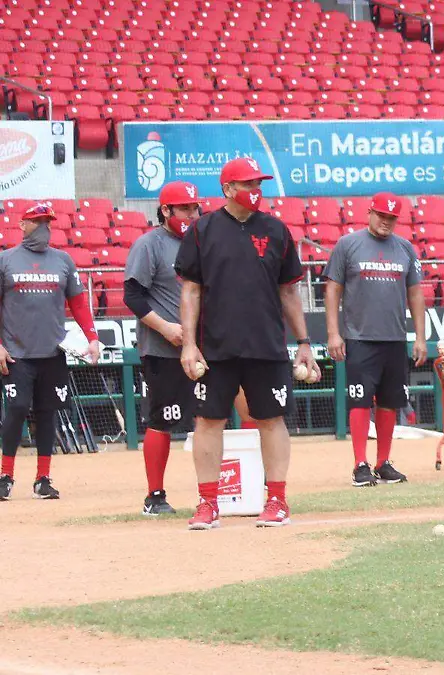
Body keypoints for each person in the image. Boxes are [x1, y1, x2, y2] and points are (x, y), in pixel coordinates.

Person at [175, 157, 319, 530]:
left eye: (260, 184)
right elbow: (191, 291)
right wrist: (189, 344)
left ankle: (277, 501)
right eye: (248, 184)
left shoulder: (276, 230)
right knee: (208, 421)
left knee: (271, 420)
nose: (256, 191)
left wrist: (304, 341)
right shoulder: (202, 230)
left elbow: (288, 292)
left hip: (266, 344)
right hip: (215, 347)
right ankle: (208, 503)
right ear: (227, 189)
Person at [125, 182, 258, 515]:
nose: (192, 214)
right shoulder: (149, 245)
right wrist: (166, 327)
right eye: (184, 208)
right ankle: (155, 495)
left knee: (232, 413)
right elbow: (133, 295)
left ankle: (248, 488)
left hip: (211, 349)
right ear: (165, 210)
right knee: (163, 421)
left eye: (195, 208)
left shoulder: (205, 241)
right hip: (165, 349)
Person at [324, 192, 427, 488]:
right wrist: (333, 333)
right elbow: (332, 289)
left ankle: (383, 462)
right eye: (381, 215)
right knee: (359, 400)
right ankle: (360, 463)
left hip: (395, 338)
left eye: (392, 217)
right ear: (369, 213)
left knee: (389, 402)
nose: (386, 221)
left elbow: (416, 294)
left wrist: (419, 337)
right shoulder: (348, 244)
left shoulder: (405, 248)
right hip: (360, 337)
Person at [0, 203, 101, 500]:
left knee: (48, 413)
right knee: (17, 410)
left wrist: (92, 337)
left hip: (53, 352)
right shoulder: (6, 260)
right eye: (37, 221)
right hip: (17, 353)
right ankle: (6, 475)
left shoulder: (63, 261)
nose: (44, 227)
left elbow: (79, 304)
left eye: (48, 222)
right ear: (22, 225)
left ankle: (43, 478)